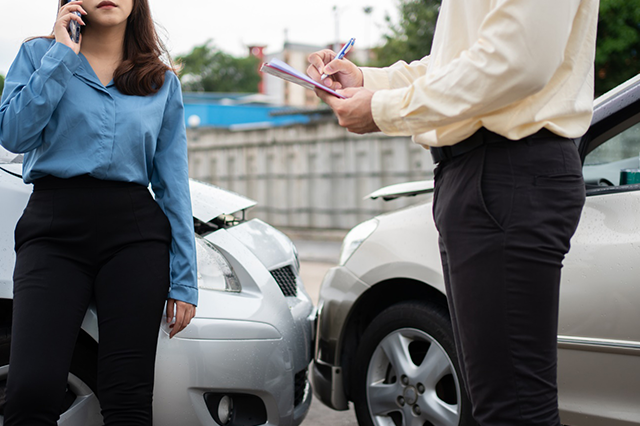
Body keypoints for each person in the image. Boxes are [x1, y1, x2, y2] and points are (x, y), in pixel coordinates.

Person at [308, 0, 598, 425]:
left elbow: (515, 61)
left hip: (505, 169)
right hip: (483, 172)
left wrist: (384, 108)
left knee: (511, 407)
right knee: (496, 398)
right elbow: (459, 63)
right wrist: (368, 80)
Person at [0, 0, 197, 424]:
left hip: (134, 235)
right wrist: (60, 57)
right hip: (53, 229)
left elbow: (173, 184)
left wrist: (185, 279)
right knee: (30, 390)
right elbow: (15, 136)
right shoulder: (38, 54)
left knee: (128, 395)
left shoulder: (159, 80)